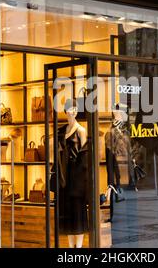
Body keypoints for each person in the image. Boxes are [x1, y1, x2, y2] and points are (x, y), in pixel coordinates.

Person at [51, 99, 89, 248]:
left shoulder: (81, 131)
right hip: (63, 180)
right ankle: (70, 247)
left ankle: (78, 248)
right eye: (70, 108)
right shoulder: (61, 131)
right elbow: (56, 156)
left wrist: (83, 185)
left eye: (75, 108)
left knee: (77, 217)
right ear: (65, 111)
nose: (72, 111)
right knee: (67, 218)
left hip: (77, 181)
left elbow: (85, 159)